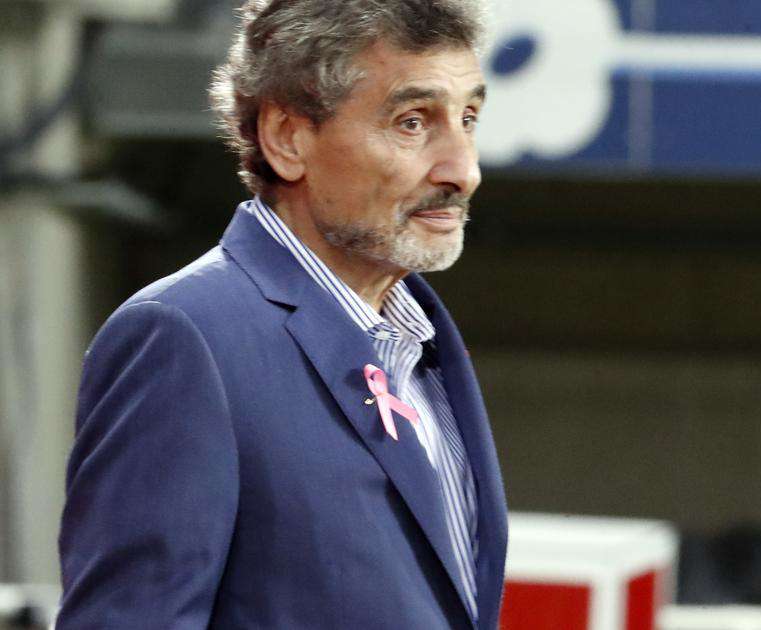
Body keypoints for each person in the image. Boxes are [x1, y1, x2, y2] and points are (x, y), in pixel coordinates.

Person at [56, 1, 506, 628]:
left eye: (468, 119)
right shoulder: (183, 336)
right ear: (287, 139)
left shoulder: (422, 344)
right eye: (412, 122)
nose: (464, 171)